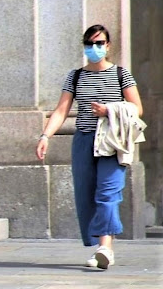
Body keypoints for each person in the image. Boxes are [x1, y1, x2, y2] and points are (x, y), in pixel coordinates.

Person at [35, 24, 143, 269]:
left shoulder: (121, 74)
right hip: (84, 139)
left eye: (99, 43)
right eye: (89, 44)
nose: (94, 49)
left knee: (108, 192)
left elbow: (137, 107)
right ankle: (100, 248)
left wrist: (109, 110)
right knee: (86, 195)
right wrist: (45, 136)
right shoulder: (75, 76)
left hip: (113, 140)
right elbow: (61, 110)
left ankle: (106, 247)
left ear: (108, 45)